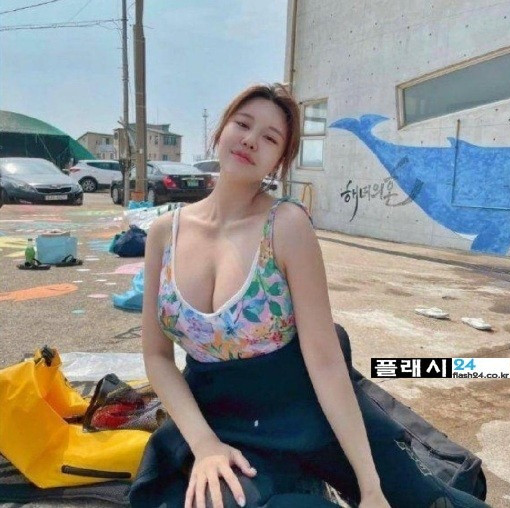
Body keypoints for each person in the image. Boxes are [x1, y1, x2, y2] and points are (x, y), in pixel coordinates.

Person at [130, 84, 490, 508]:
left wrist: (370, 487)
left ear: (280, 160)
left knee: (429, 501)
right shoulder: (164, 233)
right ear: (220, 130)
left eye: (270, 138)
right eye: (243, 124)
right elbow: (157, 357)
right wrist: (204, 444)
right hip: (221, 420)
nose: (250, 140)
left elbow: (324, 361)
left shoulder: (286, 225)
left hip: (310, 411)